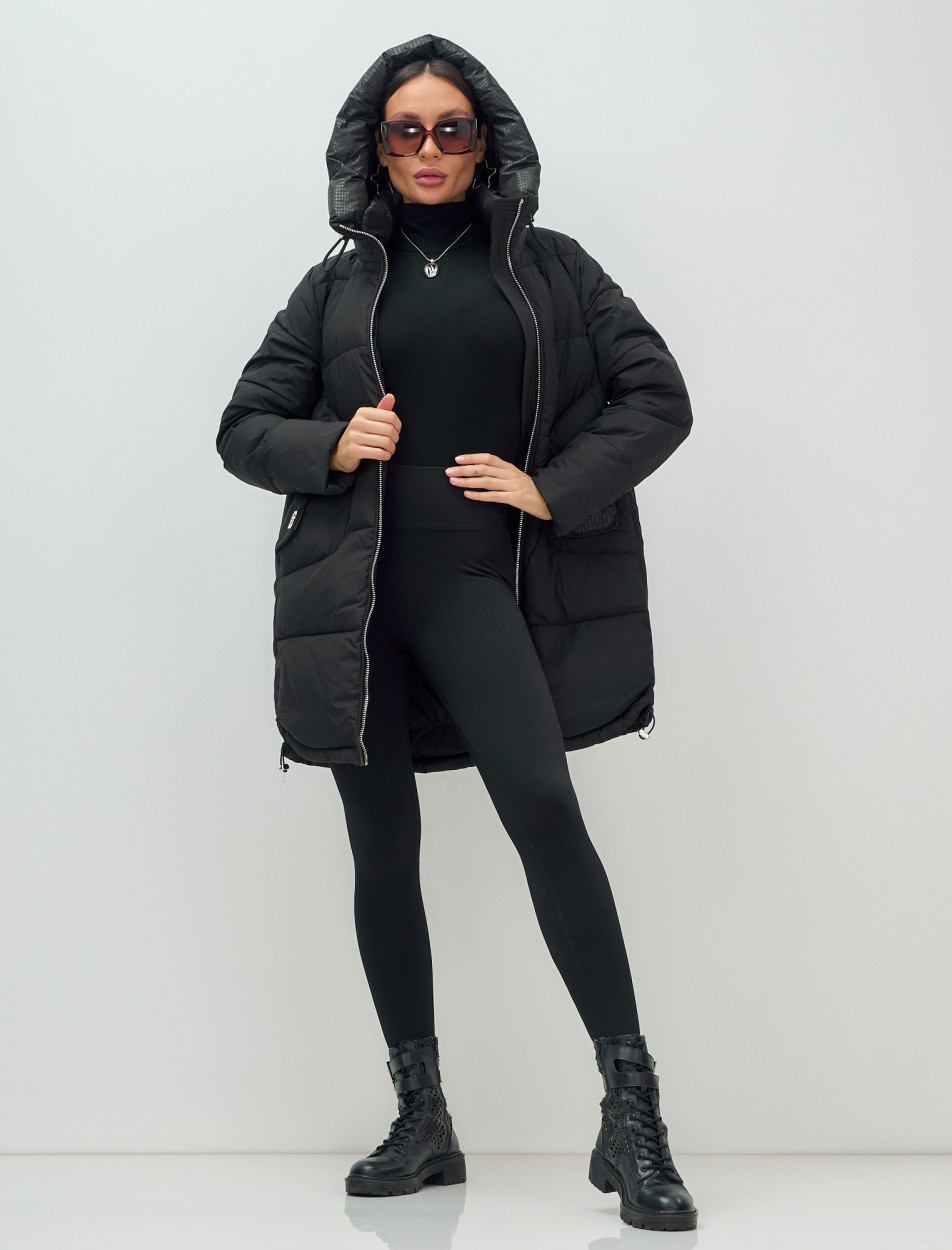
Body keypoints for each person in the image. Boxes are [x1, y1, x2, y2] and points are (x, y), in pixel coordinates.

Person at [216, 34, 697, 1232]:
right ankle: (422, 1117)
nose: (428, 148)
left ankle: (631, 1114)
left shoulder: (552, 267)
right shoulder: (334, 285)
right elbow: (243, 423)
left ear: (487, 143)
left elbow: (658, 396)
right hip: (352, 601)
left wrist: (552, 485)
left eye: (451, 128)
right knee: (382, 847)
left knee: (541, 805)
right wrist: (331, 444)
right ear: (372, 148)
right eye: (405, 130)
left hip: (476, 580)